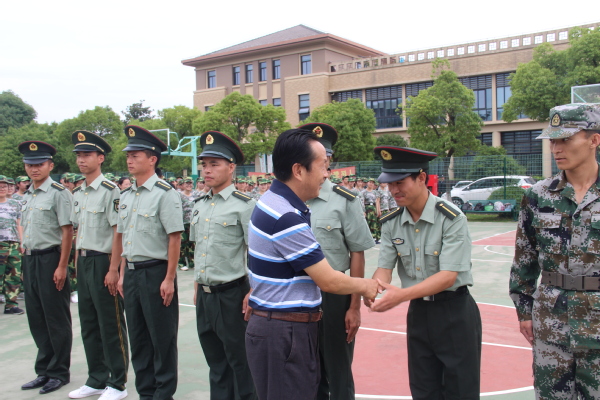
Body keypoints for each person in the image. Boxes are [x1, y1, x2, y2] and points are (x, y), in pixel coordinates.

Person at [245, 128, 380, 400]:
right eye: (322, 166)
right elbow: (327, 280)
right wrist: (367, 286)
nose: (326, 174)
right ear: (298, 170)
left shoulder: (272, 201)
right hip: (284, 332)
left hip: (283, 326)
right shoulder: (286, 217)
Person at [366, 146, 481, 400]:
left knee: (461, 391)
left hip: (454, 312)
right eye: (389, 183)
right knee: (423, 389)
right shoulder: (391, 222)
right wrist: (373, 288)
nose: (393, 190)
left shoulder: (451, 218)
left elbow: (448, 276)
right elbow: (384, 269)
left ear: (421, 178)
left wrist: (401, 295)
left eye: (400, 182)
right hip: (419, 314)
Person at [509, 103, 600, 399]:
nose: (556, 148)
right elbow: (524, 259)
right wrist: (524, 311)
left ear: (594, 140)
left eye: (566, 139)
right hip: (551, 322)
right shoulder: (538, 196)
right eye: (553, 140)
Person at [301, 123, 374, 400]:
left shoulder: (345, 200)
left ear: (328, 160)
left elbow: (357, 253)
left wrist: (354, 307)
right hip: (298, 294)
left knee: (338, 373)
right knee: (308, 374)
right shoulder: (292, 199)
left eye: (324, 157)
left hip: (334, 297)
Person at [116, 125, 183, 400]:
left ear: (152, 159)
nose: (129, 160)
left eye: (135, 155)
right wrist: (122, 275)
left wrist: (169, 278)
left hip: (156, 273)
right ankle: (146, 393)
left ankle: (163, 394)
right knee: (139, 338)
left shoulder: (165, 193)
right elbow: (125, 240)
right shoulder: (126, 195)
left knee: (161, 339)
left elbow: (174, 238)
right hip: (132, 274)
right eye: (128, 155)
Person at [191, 131, 257, 400]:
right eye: (204, 164)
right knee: (216, 364)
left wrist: (254, 290)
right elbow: (200, 249)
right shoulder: (200, 205)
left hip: (232, 295)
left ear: (231, 167)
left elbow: (257, 252)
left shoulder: (245, 206)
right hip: (204, 296)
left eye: (214, 164)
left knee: (241, 363)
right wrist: (197, 287)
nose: (207, 170)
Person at [67, 130, 129, 400]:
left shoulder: (110, 191)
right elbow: (76, 231)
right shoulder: (78, 192)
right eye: (79, 155)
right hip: (83, 261)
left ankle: (118, 383)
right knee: (89, 323)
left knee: (110, 323)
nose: (81, 160)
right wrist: (75, 265)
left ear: (100, 158)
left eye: (87, 155)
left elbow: (118, 233)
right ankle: (96, 378)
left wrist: (114, 269)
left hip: (103, 261)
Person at [19, 141, 74, 395]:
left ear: (50, 165)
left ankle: (59, 372)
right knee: (37, 317)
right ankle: (44, 369)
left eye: (39, 164)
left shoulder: (58, 193)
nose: (34, 169)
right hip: (30, 260)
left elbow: (67, 232)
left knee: (55, 318)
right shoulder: (28, 194)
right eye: (30, 165)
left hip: (51, 259)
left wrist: (62, 266)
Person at [0, 174, 24, 315]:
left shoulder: (15, 204)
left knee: (13, 275)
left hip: (13, 243)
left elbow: (19, 223)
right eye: (0, 186)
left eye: (4, 186)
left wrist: (21, 242)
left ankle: (11, 305)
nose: (2, 188)